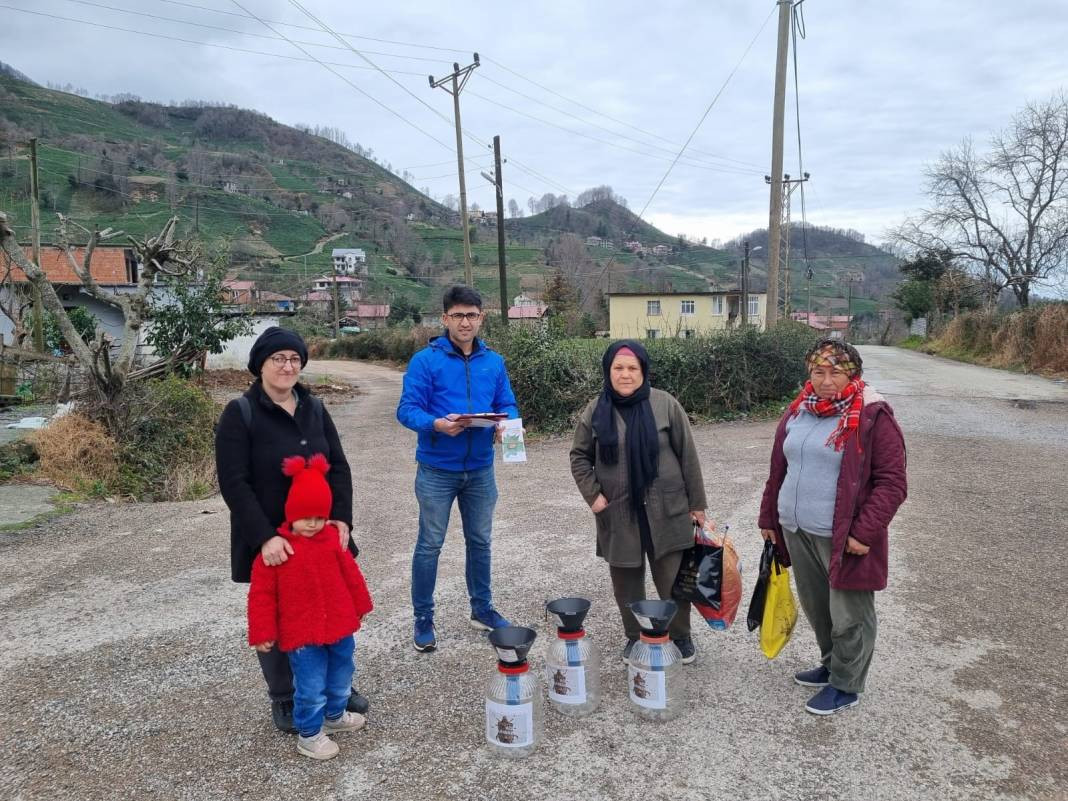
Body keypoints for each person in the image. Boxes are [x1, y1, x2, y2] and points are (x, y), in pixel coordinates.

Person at [215, 326, 368, 734]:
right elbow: (234, 482)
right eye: (278, 359)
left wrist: (343, 519)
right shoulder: (240, 413)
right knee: (281, 615)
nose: (288, 366)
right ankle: (284, 695)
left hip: (320, 534)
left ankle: (335, 690)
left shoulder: (314, 408)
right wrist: (265, 536)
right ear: (260, 366)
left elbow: (338, 466)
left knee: (331, 603)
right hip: (271, 537)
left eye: (295, 359)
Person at [758, 339, 907, 716]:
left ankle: (846, 684)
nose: (826, 381)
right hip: (798, 528)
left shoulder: (873, 415)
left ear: (852, 374)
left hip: (843, 537)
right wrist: (769, 519)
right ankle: (830, 664)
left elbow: (893, 483)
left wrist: (864, 533)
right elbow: (779, 471)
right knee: (818, 607)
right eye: (818, 372)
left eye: (835, 373)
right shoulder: (799, 411)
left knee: (850, 613)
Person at [396, 285, 519, 652]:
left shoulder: (493, 362)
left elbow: (507, 403)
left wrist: (506, 423)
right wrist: (437, 424)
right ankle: (423, 617)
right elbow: (407, 409)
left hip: (481, 469)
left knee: (480, 542)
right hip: (436, 469)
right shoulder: (425, 361)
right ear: (445, 318)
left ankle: (482, 609)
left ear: (481, 318)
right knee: (430, 545)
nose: (466, 322)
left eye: (472, 315)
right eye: (459, 315)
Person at [569, 340, 707, 664]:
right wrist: (594, 496)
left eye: (633, 368)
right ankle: (635, 636)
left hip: (667, 508)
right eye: (618, 368)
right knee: (626, 583)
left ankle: (680, 635)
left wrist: (697, 504)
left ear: (643, 371)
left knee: (673, 579)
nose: (626, 374)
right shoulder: (595, 409)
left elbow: (688, 455)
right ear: (608, 370)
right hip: (618, 511)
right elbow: (579, 456)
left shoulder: (665, 404)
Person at [248, 454, 373, 760]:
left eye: (319, 517)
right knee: (310, 684)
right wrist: (262, 631)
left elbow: (351, 575)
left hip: (340, 626)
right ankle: (309, 734)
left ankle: (335, 715)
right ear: (291, 514)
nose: (313, 523)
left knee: (342, 673)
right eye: (306, 517)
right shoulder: (279, 549)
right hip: (302, 635)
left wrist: (360, 604)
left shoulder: (332, 539)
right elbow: (261, 595)